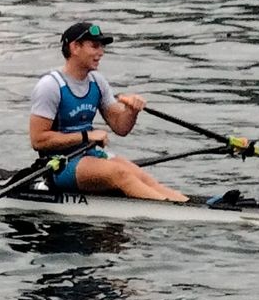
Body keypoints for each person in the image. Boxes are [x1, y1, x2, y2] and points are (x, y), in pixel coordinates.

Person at [29, 22, 188, 202]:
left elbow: (120, 127)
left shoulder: (97, 81)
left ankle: (185, 206)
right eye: (95, 46)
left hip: (90, 155)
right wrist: (85, 136)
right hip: (58, 165)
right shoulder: (50, 86)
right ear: (75, 47)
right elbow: (38, 140)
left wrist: (131, 110)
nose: (101, 52)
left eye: (102, 46)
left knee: (144, 178)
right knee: (120, 174)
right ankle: (167, 211)